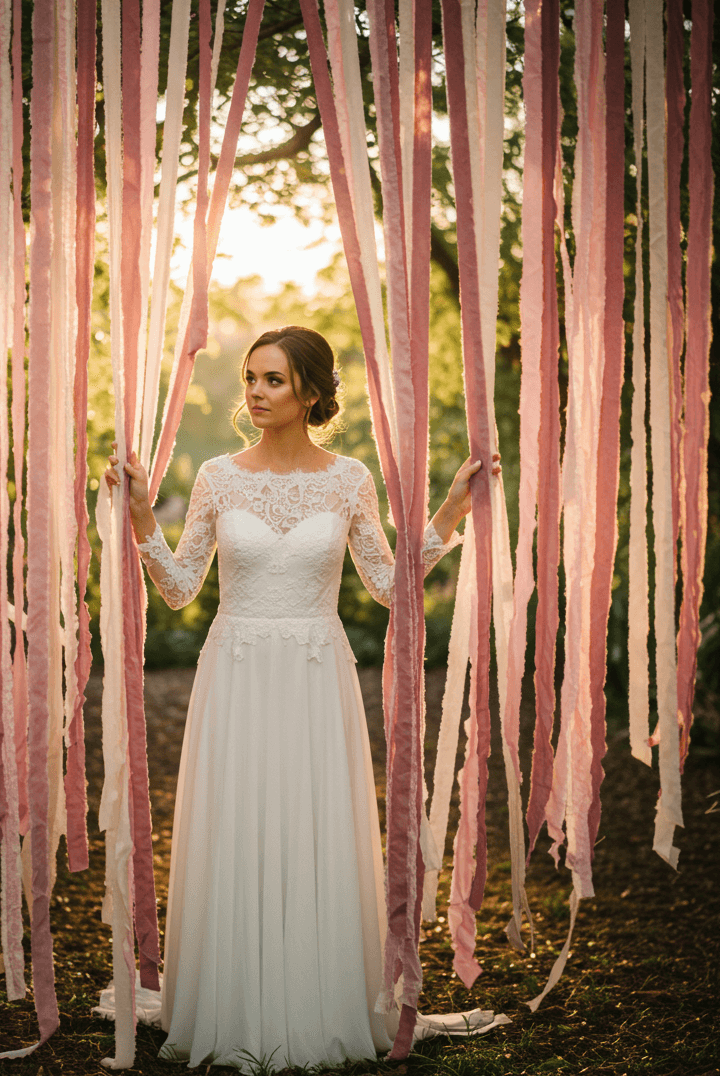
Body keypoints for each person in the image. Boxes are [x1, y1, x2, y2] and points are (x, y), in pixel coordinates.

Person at [104, 325, 501, 1070]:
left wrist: (452, 511)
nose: (255, 391)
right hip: (238, 677)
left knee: (311, 821)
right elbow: (181, 587)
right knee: (241, 819)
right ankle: (233, 998)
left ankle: (320, 998)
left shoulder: (349, 478)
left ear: (312, 392)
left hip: (318, 678)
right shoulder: (220, 477)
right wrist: (138, 519)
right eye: (251, 378)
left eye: (274, 380)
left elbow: (389, 586)